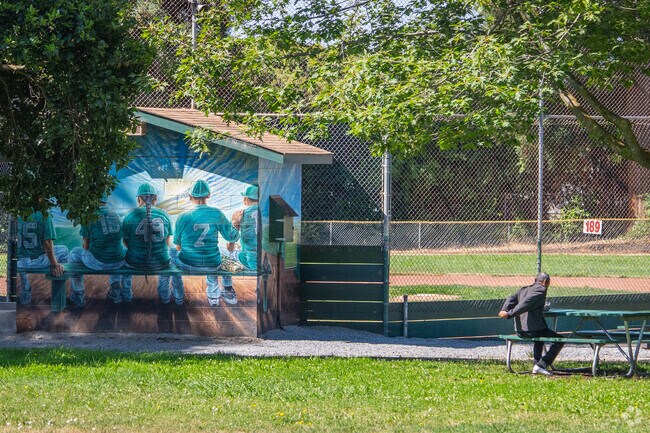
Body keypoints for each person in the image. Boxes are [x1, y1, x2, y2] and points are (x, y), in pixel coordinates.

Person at [170, 179, 240, 306]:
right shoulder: (217, 213)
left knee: (171, 253)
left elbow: (178, 246)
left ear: (190, 196)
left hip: (188, 264)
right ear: (208, 195)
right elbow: (232, 237)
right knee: (220, 252)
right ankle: (215, 296)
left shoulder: (183, 216)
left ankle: (178, 294)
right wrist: (236, 223)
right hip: (212, 264)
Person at [68, 195, 129, 307]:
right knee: (116, 251)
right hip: (117, 262)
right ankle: (116, 290)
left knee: (74, 253)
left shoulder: (89, 215)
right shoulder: (115, 214)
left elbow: (85, 247)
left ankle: (78, 293)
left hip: (97, 262)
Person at [499, 272, 564, 376]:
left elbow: (511, 298)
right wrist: (509, 314)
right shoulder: (541, 289)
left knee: (540, 338)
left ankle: (536, 365)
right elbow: (526, 303)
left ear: (535, 280)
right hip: (532, 330)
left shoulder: (523, 290)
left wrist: (504, 309)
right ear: (545, 282)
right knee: (560, 340)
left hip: (520, 331)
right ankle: (541, 365)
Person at [122, 182, 173, 304]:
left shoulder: (129, 216)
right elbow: (166, 243)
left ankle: (126, 295)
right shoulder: (164, 215)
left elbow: (125, 242)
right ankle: (165, 296)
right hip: (160, 262)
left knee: (124, 258)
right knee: (167, 260)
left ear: (139, 199)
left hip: (135, 262)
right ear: (155, 199)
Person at [17, 211, 69, 305]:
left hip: (19, 261)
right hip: (35, 261)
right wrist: (54, 264)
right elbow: (47, 243)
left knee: (23, 257)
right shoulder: (43, 214)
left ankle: (25, 289)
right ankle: (59, 291)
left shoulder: (20, 212)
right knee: (64, 250)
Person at [221, 184, 259, 300]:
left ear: (245, 199)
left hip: (250, 262)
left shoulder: (241, 214)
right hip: (267, 261)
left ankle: (228, 291)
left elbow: (230, 246)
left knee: (222, 252)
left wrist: (235, 224)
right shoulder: (266, 212)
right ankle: (260, 287)